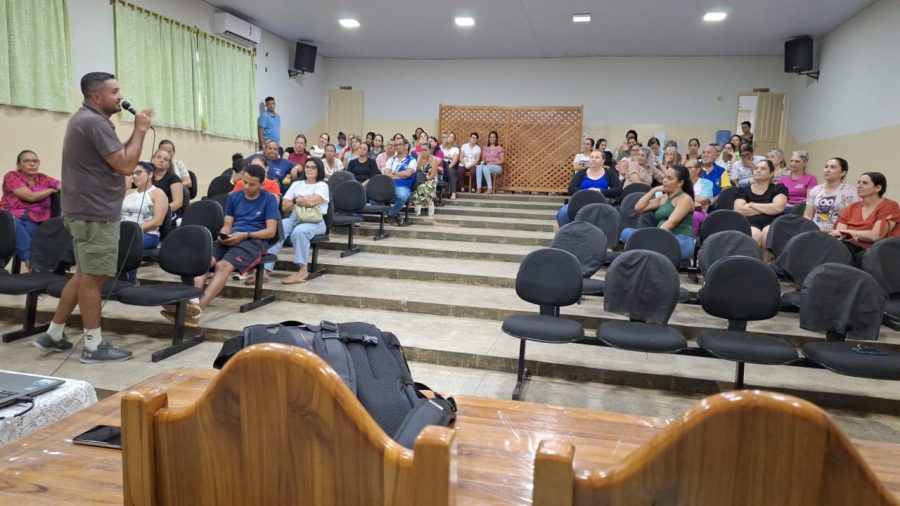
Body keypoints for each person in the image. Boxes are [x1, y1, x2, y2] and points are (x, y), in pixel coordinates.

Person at [33, 71, 152, 362]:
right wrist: (140, 131)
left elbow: (114, 155)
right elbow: (125, 165)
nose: (120, 96)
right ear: (96, 97)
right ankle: (93, 345)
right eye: (114, 91)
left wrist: (133, 136)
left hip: (85, 211)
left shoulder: (89, 121)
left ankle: (54, 333)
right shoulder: (93, 122)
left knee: (85, 273)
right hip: (94, 213)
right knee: (94, 278)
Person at [163, 164, 279, 326]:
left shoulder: (269, 200)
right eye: (245, 182)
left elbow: (271, 232)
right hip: (232, 237)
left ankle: (197, 310)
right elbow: (227, 224)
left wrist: (245, 235)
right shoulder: (234, 197)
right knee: (204, 261)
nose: (246, 187)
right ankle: (192, 302)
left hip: (253, 240)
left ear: (261, 184)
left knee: (223, 266)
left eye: (252, 184)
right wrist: (224, 235)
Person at [264, 158, 329, 285]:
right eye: (307, 167)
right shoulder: (296, 184)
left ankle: (302, 269)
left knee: (299, 232)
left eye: (313, 167)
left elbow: (312, 202)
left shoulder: (322, 185)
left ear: (319, 170)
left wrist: (295, 200)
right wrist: (299, 200)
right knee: (277, 227)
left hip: (314, 220)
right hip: (295, 217)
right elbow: (284, 206)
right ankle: (265, 270)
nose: (309, 169)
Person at [620, 165, 696, 262]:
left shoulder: (685, 199)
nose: (664, 180)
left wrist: (654, 237)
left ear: (680, 183)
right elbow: (638, 208)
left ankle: (646, 249)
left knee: (645, 242)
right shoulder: (663, 198)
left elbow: (672, 222)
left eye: (669, 178)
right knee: (626, 232)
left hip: (680, 239)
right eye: (664, 177)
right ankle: (651, 249)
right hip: (660, 237)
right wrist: (653, 190)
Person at [0, 150, 61, 270]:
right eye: (27, 161)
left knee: (17, 231)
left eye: (35, 161)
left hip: (35, 222)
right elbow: (30, 196)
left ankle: (32, 265)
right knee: (14, 226)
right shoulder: (12, 176)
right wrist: (49, 190)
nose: (32, 164)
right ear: (19, 165)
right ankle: (32, 264)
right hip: (8, 220)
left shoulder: (44, 178)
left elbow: (64, 186)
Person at [832, 172, 900, 265]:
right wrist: (847, 237)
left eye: (865, 183)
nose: (859, 186)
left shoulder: (889, 205)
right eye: (858, 182)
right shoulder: (851, 207)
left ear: (878, 188)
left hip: (874, 251)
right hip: (848, 246)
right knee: (831, 247)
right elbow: (839, 232)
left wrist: (847, 233)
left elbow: (875, 236)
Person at [120, 162, 167, 283]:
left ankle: (129, 282)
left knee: (127, 243)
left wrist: (134, 230)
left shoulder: (158, 193)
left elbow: (158, 221)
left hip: (147, 233)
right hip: (123, 232)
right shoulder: (128, 192)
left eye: (138, 173)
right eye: (132, 173)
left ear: (150, 174)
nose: (134, 176)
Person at [555, 149, 622, 228]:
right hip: (580, 201)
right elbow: (571, 188)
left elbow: (618, 190)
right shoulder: (581, 173)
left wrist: (601, 191)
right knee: (562, 213)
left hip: (601, 203)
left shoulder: (610, 173)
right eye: (592, 157)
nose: (593, 159)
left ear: (603, 160)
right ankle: (568, 235)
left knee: (615, 215)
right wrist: (586, 192)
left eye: (597, 157)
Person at [733, 159, 788, 250]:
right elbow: (739, 210)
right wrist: (768, 207)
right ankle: (755, 263)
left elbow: (778, 208)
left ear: (771, 174)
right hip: (749, 223)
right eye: (756, 168)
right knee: (755, 235)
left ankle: (766, 263)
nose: (758, 170)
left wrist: (752, 204)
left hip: (773, 222)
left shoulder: (779, 188)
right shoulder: (743, 190)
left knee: (768, 232)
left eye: (763, 169)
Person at [804, 157, 858, 232]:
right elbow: (807, 215)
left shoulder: (850, 191)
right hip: (814, 232)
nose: (827, 170)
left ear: (843, 172)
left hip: (837, 233)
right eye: (826, 167)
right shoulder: (815, 190)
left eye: (832, 167)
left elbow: (852, 218)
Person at [385, 138, 417, 226]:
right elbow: (386, 174)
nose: (397, 146)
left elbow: (407, 174)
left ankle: (391, 215)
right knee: (373, 198)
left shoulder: (412, 160)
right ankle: (395, 213)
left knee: (402, 196)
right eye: (396, 145)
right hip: (390, 186)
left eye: (400, 144)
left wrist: (394, 173)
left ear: (406, 146)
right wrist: (399, 175)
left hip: (404, 187)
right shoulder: (391, 160)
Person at [148, 148, 184, 218]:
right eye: (159, 157)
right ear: (153, 159)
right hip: (146, 212)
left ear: (168, 164)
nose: (161, 160)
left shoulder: (174, 178)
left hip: (167, 215)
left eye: (165, 159)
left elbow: (178, 203)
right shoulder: (146, 176)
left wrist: (157, 212)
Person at [410, 143, 439, 216]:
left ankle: (426, 203)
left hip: (431, 179)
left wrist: (424, 180)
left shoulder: (434, 159)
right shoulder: (419, 157)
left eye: (425, 150)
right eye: (422, 150)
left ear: (430, 150)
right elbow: (417, 170)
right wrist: (421, 159)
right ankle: (424, 205)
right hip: (420, 178)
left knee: (421, 187)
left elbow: (432, 175)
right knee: (416, 186)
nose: (423, 151)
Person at [686, 159, 713, 236]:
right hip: (681, 210)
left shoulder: (707, 183)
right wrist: (695, 198)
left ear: (698, 170)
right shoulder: (681, 183)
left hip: (700, 212)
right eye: (685, 168)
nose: (686, 170)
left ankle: (691, 239)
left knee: (694, 215)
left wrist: (683, 197)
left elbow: (703, 200)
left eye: (689, 168)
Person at [441, 132, 461, 200]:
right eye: (449, 136)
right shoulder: (441, 148)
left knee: (451, 173)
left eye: (452, 137)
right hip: (441, 164)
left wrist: (446, 168)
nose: (450, 138)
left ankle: (453, 193)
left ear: (454, 140)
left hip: (451, 165)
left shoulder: (456, 149)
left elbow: (454, 161)